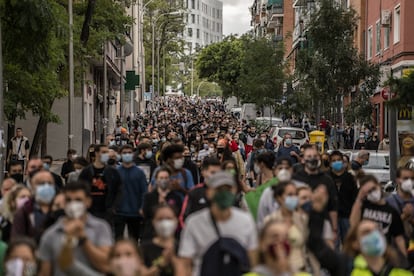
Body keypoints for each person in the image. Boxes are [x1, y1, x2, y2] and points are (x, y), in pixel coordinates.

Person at [177, 171, 258, 276]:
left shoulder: (246, 221)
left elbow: (253, 260)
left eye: (228, 189)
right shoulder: (194, 223)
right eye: (219, 189)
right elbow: (185, 263)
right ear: (209, 192)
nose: (224, 193)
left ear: (234, 191)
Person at [38, 181, 114, 275]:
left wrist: (83, 239)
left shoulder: (101, 228)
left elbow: (106, 265)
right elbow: (45, 272)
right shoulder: (51, 233)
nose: (73, 204)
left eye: (78, 200)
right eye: (68, 200)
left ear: (88, 202)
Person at [263, 181, 319, 274]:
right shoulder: (270, 221)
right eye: (290, 194)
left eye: (295, 194)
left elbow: (310, 249)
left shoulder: (303, 219)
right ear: (279, 198)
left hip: (301, 269)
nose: (294, 198)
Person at [350, 175, 407, 257]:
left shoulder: (391, 211)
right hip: (364, 252)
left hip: (384, 252)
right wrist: (359, 198)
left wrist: (404, 258)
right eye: (368, 191)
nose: (372, 193)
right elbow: (353, 223)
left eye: (373, 189)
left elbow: (399, 237)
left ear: (379, 186)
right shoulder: (363, 207)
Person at [293, 145, 338, 236]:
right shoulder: (295, 179)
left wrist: (334, 228)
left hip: (322, 225)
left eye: (315, 156)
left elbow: (333, 207)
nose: (312, 159)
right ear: (303, 159)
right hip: (300, 224)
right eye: (309, 156)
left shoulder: (327, 180)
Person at [78, 144, 122, 220]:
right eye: (103, 152)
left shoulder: (112, 172)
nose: (106, 154)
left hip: (107, 212)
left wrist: (114, 208)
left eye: (107, 152)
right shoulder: (86, 172)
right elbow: (79, 189)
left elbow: (119, 190)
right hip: (90, 211)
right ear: (97, 153)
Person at [115, 144, 148, 241]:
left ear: (133, 154)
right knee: (118, 239)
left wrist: (142, 207)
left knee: (134, 239)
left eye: (129, 153)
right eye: (124, 153)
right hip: (119, 211)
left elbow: (144, 191)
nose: (127, 155)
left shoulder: (139, 172)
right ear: (120, 155)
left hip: (135, 211)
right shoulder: (116, 172)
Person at [11, 171, 55, 240]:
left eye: (50, 183)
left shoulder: (60, 209)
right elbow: (17, 240)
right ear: (32, 186)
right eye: (41, 183)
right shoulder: (24, 212)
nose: (46, 186)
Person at [179, 157, 221, 227]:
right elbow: (184, 218)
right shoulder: (194, 193)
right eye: (212, 172)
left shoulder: (225, 193)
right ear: (203, 172)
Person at [143, 168, 183, 241]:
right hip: (152, 235)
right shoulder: (149, 197)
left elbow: (179, 214)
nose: (163, 180)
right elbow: (146, 214)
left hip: (172, 235)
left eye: (166, 178)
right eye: (161, 178)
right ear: (156, 179)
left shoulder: (176, 197)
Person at [329, 150, 359, 246]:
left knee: (348, 243)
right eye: (334, 160)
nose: (336, 162)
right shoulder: (327, 178)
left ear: (343, 162)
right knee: (334, 244)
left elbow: (355, 197)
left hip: (347, 215)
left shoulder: (350, 178)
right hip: (331, 216)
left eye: (338, 160)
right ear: (330, 163)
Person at [141, 205, 179, 276]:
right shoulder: (144, 248)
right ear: (153, 222)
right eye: (160, 219)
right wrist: (162, 263)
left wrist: (174, 260)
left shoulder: (183, 247)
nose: (164, 223)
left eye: (169, 218)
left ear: (176, 221)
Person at [257, 157, 293, 227]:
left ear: (292, 170)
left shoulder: (298, 188)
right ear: (275, 171)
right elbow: (261, 216)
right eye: (280, 168)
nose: (284, 171)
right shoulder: (268, 192)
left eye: (287, 168)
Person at [245, 152, 277, 221]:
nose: (256, 165)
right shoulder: (259, 177)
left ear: (262, 164)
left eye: (257, 163)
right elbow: (257, 191)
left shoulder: (276, 178)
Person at [386, 168, 414, 240]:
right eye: (405, 178)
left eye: (412, 178)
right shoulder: (389, 202)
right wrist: (404, 216)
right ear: (397, 180)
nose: (409, 181)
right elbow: (386, 227)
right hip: (396, 247)